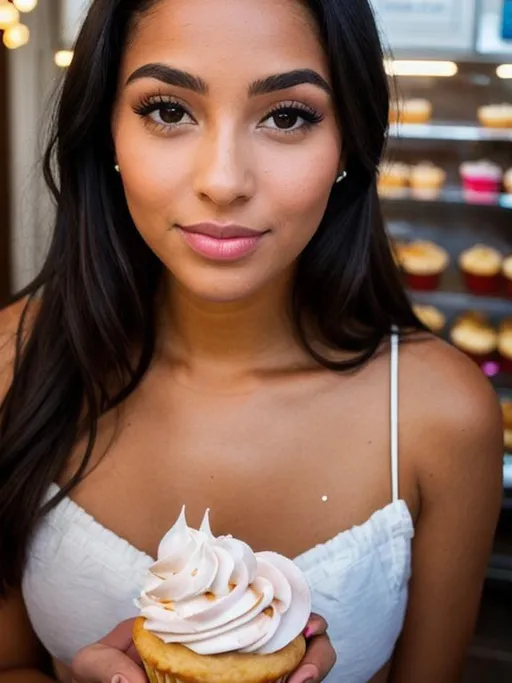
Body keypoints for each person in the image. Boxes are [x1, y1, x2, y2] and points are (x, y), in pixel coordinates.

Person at [0, 0, 504, 681]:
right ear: (106, 133)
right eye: (168, 110)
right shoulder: (10, 363)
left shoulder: (443, 415)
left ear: (350, 144)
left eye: (288, 116)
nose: (223, 181)